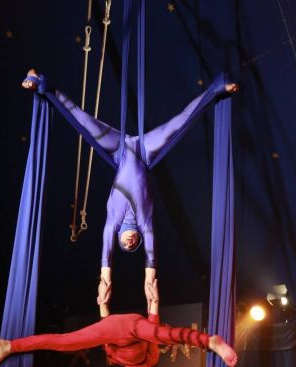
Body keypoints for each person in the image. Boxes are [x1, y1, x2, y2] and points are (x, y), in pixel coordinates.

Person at [21, 69, 239, 310]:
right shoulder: (145, 224)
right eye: (133, 245)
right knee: (179, 123)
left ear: (119, 239)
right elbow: (151, 256)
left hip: (119, 150)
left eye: (125, 245)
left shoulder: (112, 223)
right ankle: (217, 87)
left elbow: (106, 256)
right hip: (144, 152)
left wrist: (105, 288)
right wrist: (150, 291)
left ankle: (42, 83)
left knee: (81, 119)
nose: (130, 243)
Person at [0, 279, 238, 367]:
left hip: (112, 328)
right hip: (135, 328)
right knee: (168, 335)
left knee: (62, 342)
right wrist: (154, 301)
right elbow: (155, 333)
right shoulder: (150, 360)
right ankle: (210, 341)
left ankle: (9, 345)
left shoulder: (115, 358)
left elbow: (104, 333)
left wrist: (103, 303)